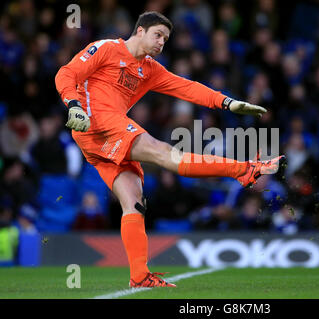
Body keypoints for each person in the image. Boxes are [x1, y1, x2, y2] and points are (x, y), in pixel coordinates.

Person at [55, 11, 284, 288]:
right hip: (97, 122)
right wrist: (74, 105)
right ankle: (244, 170)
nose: (162, 42)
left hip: (100, 138)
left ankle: (139, 275)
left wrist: (227, 103)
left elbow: (187, 88)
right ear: (140, 31)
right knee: (165, 153)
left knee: (134, 202)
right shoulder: (107, 48)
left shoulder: (149, 69)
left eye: (165, 38)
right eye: (158, 35)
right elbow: (66, 73)